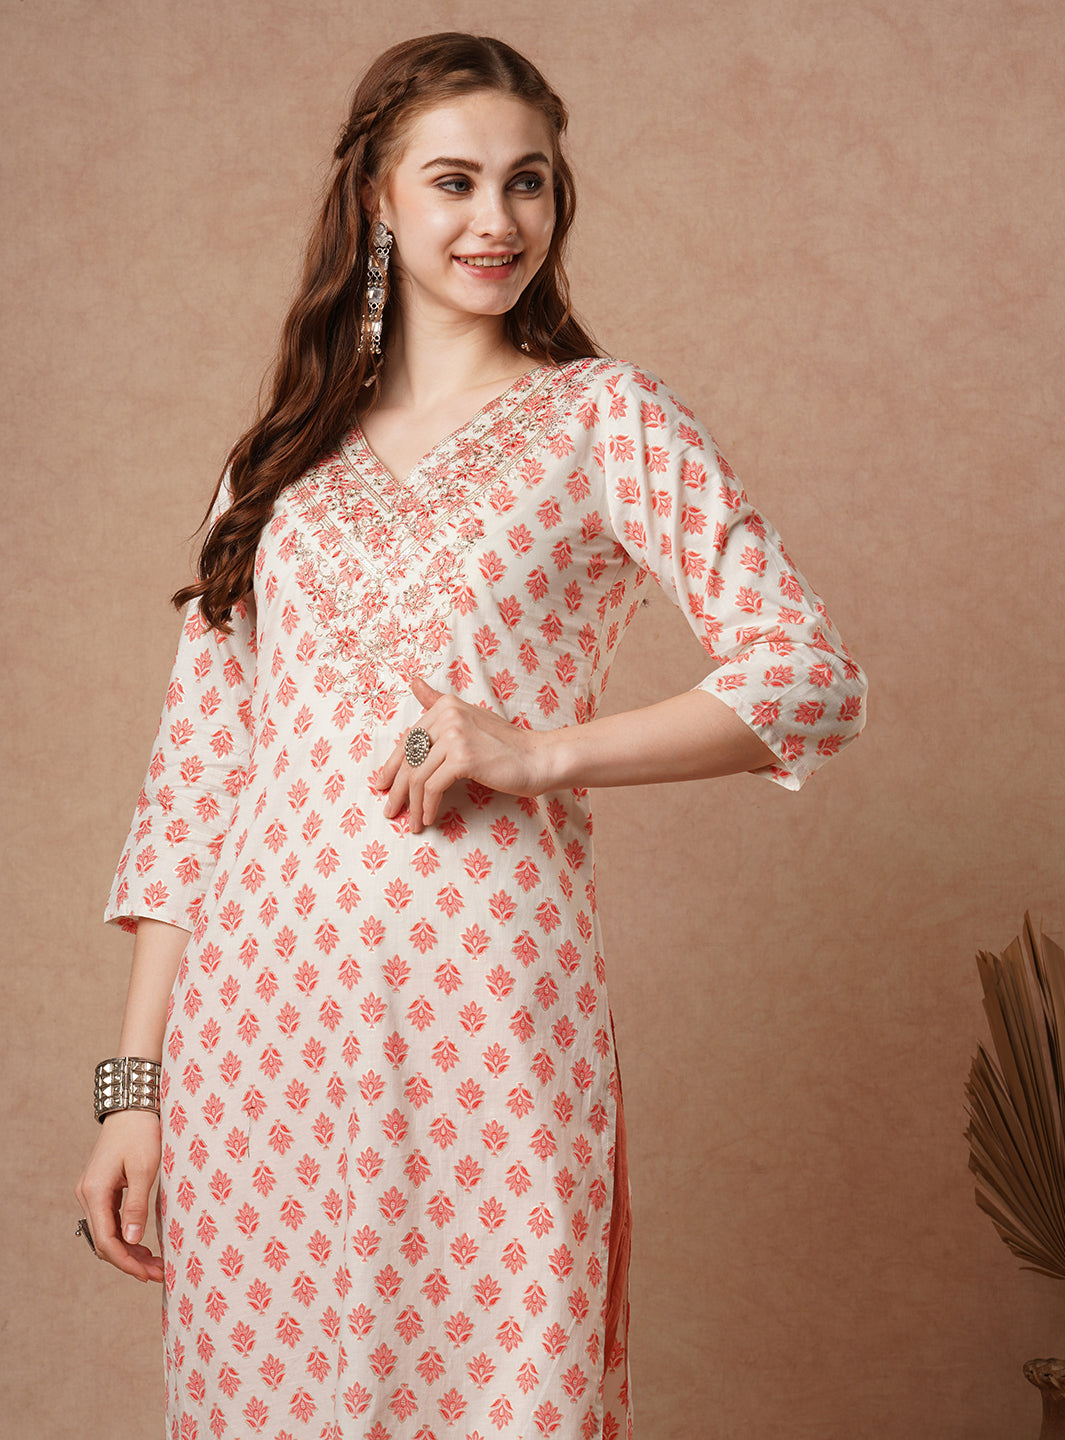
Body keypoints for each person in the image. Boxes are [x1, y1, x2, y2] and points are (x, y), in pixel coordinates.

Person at [76, 32, 866, 1440]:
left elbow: (809, 679)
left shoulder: (602, 419)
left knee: (499, 1391)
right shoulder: (275, 466)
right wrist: (132, 1095)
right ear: (376, 197)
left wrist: (545, 753)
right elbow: (196, 782)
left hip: (486, 1008)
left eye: (528, 182)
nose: (496, 219)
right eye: (454, 181)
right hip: (254, 1033)